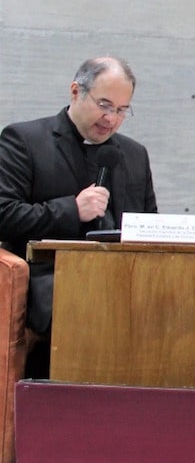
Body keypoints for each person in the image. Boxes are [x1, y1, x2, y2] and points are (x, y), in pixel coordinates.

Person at [0, 56, 157, 377]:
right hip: (53, 276)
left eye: (122, 110)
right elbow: (5, 214)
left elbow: (148, 223)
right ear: (76, 91)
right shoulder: (25, 140)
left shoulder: (134, 154)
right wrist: (72, 209)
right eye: (104, 104)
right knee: (92, 304)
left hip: (123, 276)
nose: (111, 119)